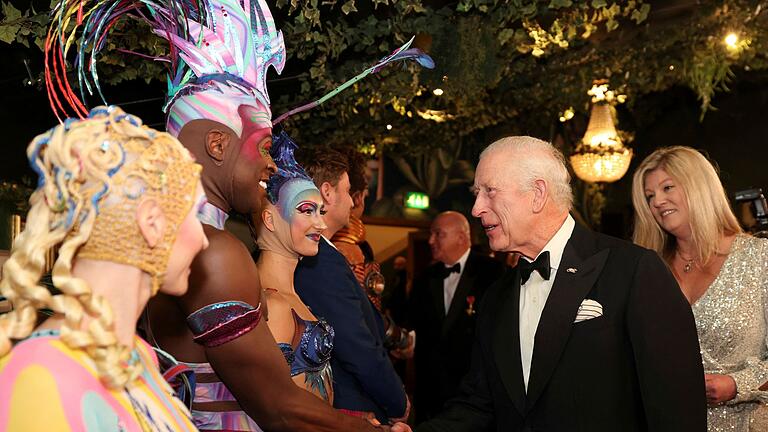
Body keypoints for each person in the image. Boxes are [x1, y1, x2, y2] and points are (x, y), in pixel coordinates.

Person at [417, 136, 707, 431]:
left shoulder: (633, 270)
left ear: (537, 193)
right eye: (477, 194)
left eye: (489, 192)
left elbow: (676, 410)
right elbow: (479, 404)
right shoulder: (496, 295)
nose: (477, 208)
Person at [0, 106, 206, 431]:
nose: (204, 240)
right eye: (195, 214)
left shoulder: (135, 355)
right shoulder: (43, 375)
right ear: (151, 223)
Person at [631, 146, 768, 432]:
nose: (657, 201)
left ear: (699, 187)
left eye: (668, 187)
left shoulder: (759, 258)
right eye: (650, 196)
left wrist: (736, 384)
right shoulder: (646, 270)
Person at [295, 148, 410, 424]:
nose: (353, 201)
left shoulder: (323, 254)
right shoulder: (320, 260)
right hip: (350, 405)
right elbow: (355, 345)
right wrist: (397, 399)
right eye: (347, 191)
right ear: (327, 192)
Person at [255, 131, 334, 403]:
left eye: (321, 212)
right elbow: (278, 407)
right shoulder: (273, 305)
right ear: (269, 219)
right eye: (306, 210)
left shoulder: (290, 297)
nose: (321, 225)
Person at [407, 211, 503, 423]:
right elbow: (411, 324)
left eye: (438, 234)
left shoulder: (493, 273)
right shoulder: (424, 278)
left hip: (473, 393)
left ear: (461, 237)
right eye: (431, 234)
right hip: (430, 394)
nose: (430, 240)